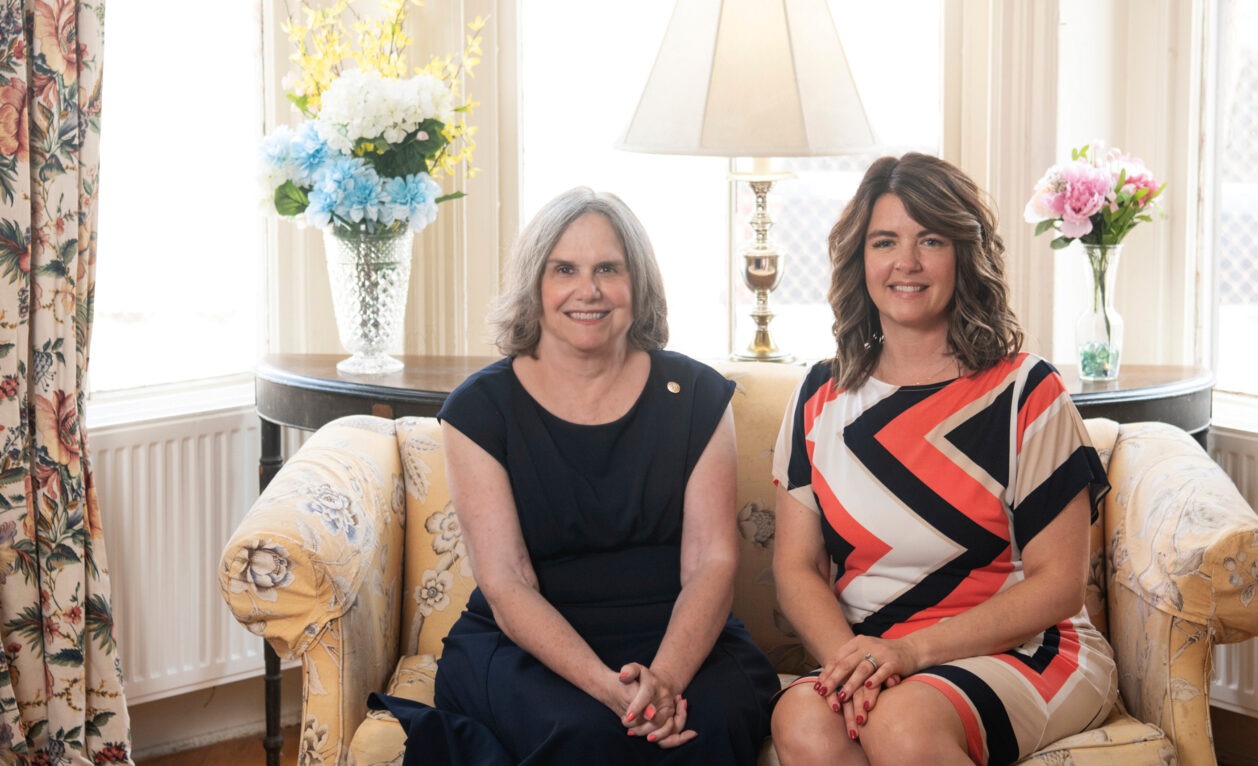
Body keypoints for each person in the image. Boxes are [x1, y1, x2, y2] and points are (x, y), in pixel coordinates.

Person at [371, 187, 779, 765]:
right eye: (565, 269)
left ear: (637, 284)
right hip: (530, 644)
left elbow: (711, 563)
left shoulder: (695, 396)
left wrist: (662, 679)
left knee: (706, 723)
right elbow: (508, 582)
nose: (588, 290)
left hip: (678, 636)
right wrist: (610, 690)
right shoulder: (480, 409)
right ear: (535, 285)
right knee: (585, 733)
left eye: (608, 269)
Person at [769, 153, 1117, 766]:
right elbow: (796, 565)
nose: (906, 262)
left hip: (1026, 650)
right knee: (802, 719)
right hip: (872, 651)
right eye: (885, 242)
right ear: (861, 260)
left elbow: (1059, 586)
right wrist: (852, 662)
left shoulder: (1025, 393)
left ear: (964, 254)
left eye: (930, 239)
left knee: (902, 723)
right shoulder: (818, 397)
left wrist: (910, 654)